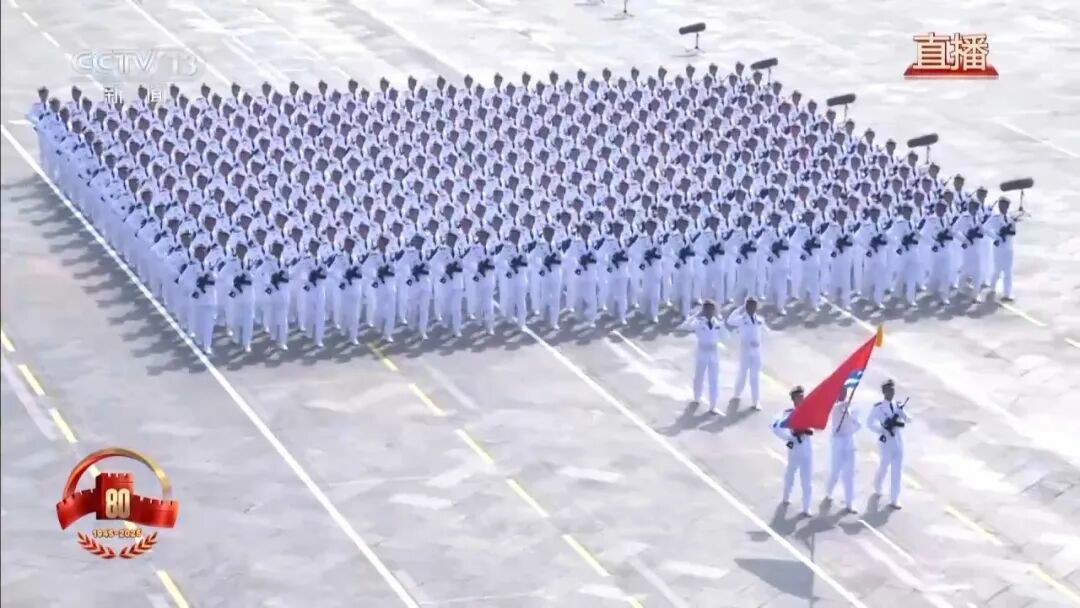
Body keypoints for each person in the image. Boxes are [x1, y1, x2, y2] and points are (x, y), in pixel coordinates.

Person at [678, 299, 730, 414]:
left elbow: (726, 336)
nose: (710, 312)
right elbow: (684, 326)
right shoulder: (698, 322)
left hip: (714, 352)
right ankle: (697, 397)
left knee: (714, 380)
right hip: (702, 351)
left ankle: (713, 405)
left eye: (712, 310)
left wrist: (722, 324)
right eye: (707, 310)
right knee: (699, 377)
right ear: (704, 311)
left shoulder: (717, 323)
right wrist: (696, 315)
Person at [867, 379, 911, 510]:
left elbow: (909, 419)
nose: (892, 393)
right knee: (884, 467)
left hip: (898, 441)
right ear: (884, 392)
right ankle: (877, 484)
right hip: (886, 441)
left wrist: (903, 414)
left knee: (897, 471)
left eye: (893, 390)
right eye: (889, 390)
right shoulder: (878, 408)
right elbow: (869, 423)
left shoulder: (898, 405)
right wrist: (882, 429)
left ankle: (895, 498)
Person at [772, 386, 814, 517]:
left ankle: (806, 507)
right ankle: (786, 496)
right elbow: (776, 428)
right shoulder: (788, 413)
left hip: (806, 447)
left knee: (807, 479)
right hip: (795, 447)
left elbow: (816, 426)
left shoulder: (808, 411)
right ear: (794, 399)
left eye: (802, 396)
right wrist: (789, 437)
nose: (802, 399)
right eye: (799, 397)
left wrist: (808, 430)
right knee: (790, 474)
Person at [726, 296, 767, 411]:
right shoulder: (742, 319)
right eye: (749, 306)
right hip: (745, 350)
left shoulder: (760, 319)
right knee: (742, 374)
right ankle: (737, 394)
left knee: (755, 376)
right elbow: (729, 320)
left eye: (753, 306)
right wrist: (739, 309)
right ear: (746, 307)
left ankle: (755, 401)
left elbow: (765, 332)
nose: (751, 308)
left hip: (757, 350)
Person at [824, 396, 861, 514]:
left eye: (844, 390)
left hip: (849, 442)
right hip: (838, 443)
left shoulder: (852, 407)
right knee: (835, 472)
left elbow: (858, 424)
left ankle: (850, 502)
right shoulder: (834, 407)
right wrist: (844, 407)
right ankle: (829, 491)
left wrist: (851, 421)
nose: (842, 393)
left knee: (849, 474)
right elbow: (835, 411)